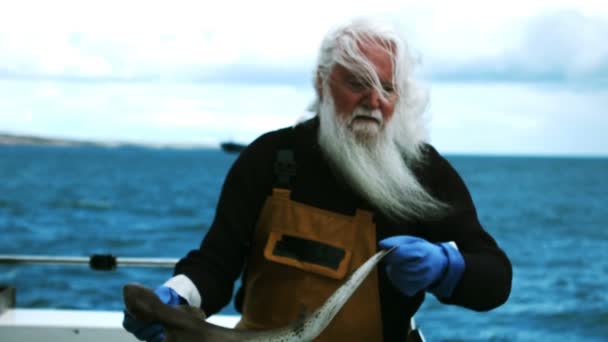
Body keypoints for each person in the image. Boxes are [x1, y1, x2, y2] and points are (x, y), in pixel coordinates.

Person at [123, 17, 512, 342]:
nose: (374, 100)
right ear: (322, 82)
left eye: (387, 88)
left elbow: (495, 278)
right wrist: (178, 295)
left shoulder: (423, 173)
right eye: (358, 82)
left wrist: (447, 268)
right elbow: (217, 263)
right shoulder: (270, 158)